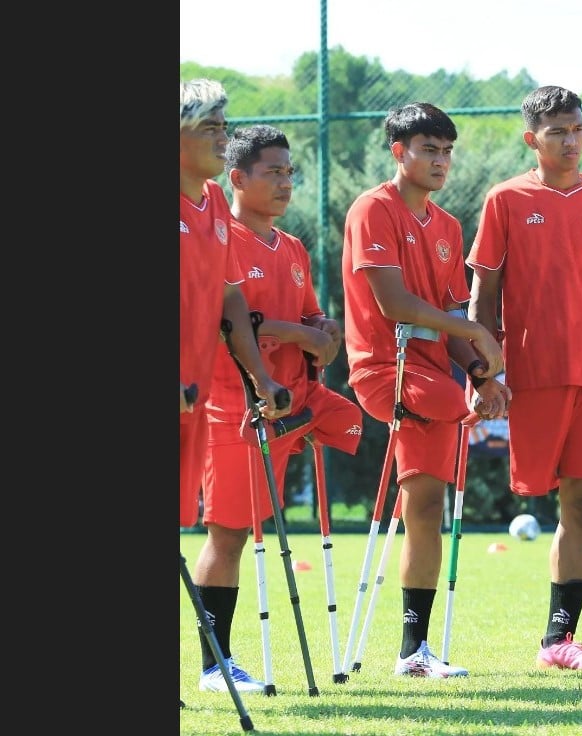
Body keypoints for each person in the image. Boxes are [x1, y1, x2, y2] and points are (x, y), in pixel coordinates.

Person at [466, 85, 582, 671]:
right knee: (542, 497)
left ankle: (559, 641)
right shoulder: (505, 200)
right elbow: (484, 292)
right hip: (533, 374)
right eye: (557, 133)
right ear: (532, 139)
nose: (571, 142)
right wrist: (482, 369)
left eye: (577, 130)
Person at [191, 124, 367, 693]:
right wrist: (300, 334)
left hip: (291, 401)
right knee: (229, 535)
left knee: (355, 422)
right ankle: (214, 664)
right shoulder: (220, 239)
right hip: (234, 405)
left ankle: (301, 425)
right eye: (274, 172)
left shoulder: (292, 248)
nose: (286, 182)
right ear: (237, 178)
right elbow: (229, 326)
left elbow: (311, 319)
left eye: (290, 172)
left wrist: (323, 329)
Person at [341, 102, 510, 679]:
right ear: (399, 152)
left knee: (427, 507)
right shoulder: (373, 209)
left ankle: (415, 652)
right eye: (428, 150)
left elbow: (449, 313)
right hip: (385, 369)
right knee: (452, 437)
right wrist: (474, 337)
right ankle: (413, 653)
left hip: (434, 375)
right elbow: (394, 306)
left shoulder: (447, 225)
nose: (440, 162)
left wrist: (482, 372)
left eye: (446, 152)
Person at [180, 79, 290, 692]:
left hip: (194, 396)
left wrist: (263, 378)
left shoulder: (215, 207)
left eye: (226, 127)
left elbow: (229, 303)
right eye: (209, 129)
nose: (223, 139)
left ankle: (211, 665)